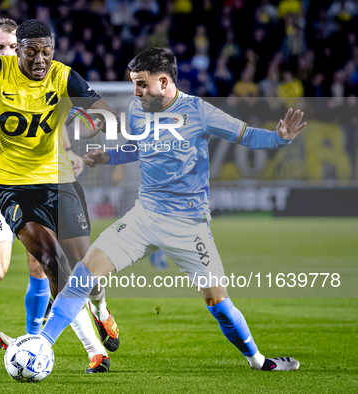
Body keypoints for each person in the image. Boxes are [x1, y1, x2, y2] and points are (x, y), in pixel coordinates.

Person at [38, 47, 306, 372]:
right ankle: (42, 346)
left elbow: (246, 136)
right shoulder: (138, 110)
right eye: (134, 84)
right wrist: (109, 156)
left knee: (218, 304)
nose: (135, 92)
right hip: (143, 216)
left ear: (163, 82)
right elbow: (139, 146)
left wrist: (280, 139)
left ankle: (259, 361)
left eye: (141, 84)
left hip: (189, 225)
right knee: (83, 275)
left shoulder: (200, 111)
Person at [0, 19, 112, 373]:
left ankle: (60, 331)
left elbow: (78, 121)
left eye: (14, 47)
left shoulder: (55, 78)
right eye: (2, 47)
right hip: (0, 184)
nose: (9, 53)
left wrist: (88, 134)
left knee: (62, 267)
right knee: (6, 269)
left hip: (51, 183)